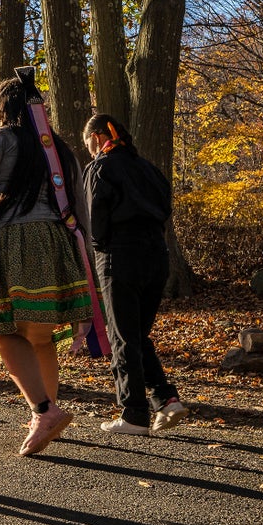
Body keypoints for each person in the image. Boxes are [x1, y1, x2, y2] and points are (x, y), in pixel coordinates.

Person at [0, 75, 96, 456]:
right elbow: (78, 207)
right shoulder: (60, 149)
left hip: (8, 242)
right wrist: (86, 259)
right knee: (39, 337)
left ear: (4, 108)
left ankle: (44, 409)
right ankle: (45, 415)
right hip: (56, 243)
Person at [82, 113, 187, 435]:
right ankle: (166, 399)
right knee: (137, 335)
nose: (88, 149)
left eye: (88, 142)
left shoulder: (100, 168)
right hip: (157, 257)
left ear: (98, 137)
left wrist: (99, 249)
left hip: (120, 257)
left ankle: (133, 413)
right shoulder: (149, 169)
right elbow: (166, 208)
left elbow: (94, 219)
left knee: (122, 336)